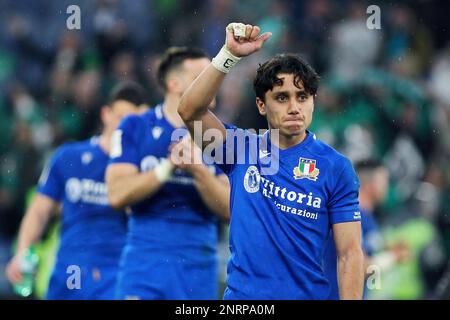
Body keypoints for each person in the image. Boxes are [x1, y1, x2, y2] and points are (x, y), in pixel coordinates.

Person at [178, 22, 364, 299]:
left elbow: (349, 254)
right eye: (281, 97)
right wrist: (228, 54)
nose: (294, 107)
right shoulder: (239, 149)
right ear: (261, 105)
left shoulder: (336, 168)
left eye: (302, 97)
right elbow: (190, 110)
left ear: (313, 101)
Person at [106, 47, 230, 300]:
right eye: (203, 76)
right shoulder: (135, 126)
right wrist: (168, 166)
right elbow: (117, 195)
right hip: (145, 265)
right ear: (174, 84)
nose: (212, 82)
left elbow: (231, 210)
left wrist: (198, 170)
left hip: (198, 268)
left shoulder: (220, 136)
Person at [5, 81, 146, 299]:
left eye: (133, 122)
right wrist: (23, 251)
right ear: (105, 114)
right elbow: (39, 210)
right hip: (69, 274)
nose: (124, 127)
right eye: (120, 118)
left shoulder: (143, 169)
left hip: (116, 276)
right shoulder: (69, 157)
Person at [324, 159, 410, 299]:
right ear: (371, 184)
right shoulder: (350, 216)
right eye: (384, 180)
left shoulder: (367, 217)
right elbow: (358, 267)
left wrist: (386, 251)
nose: (387, 186)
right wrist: (392, 257)